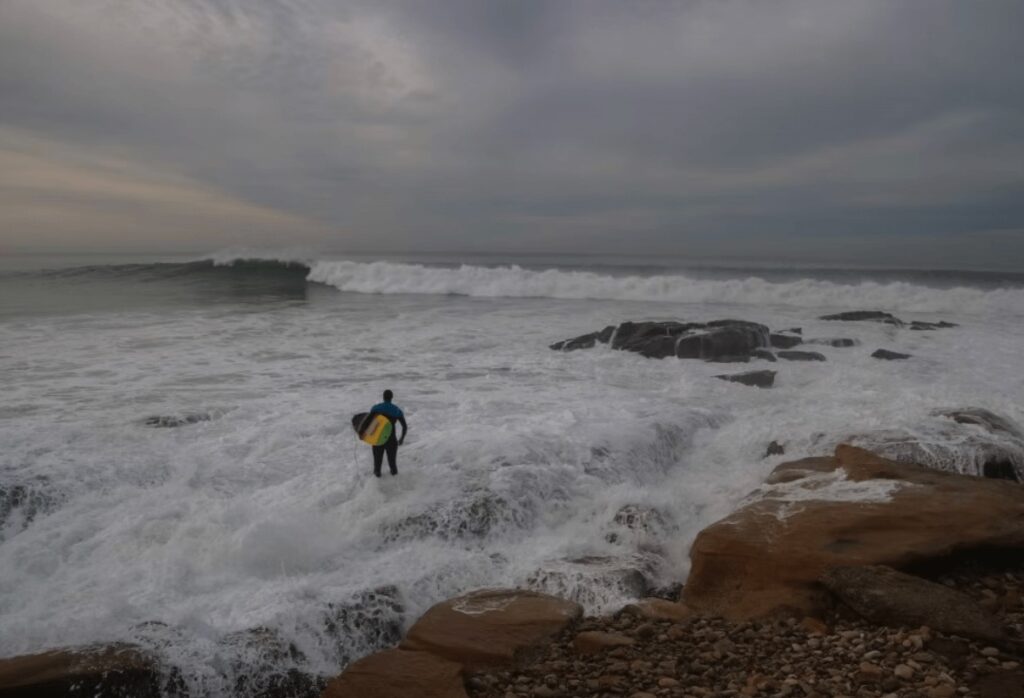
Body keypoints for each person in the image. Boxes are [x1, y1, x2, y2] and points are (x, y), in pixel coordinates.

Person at [367, 389, 407, 477]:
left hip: (377, 440)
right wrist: (401, 439)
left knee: (377, 467)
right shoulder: (396, 410)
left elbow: (370, 425)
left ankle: (376, 487)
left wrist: (369, 437)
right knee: (393, 465)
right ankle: (396, 486)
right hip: (391, 440)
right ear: (391, 398)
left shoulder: (375, 408)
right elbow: (404, 426)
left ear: (383, 397)